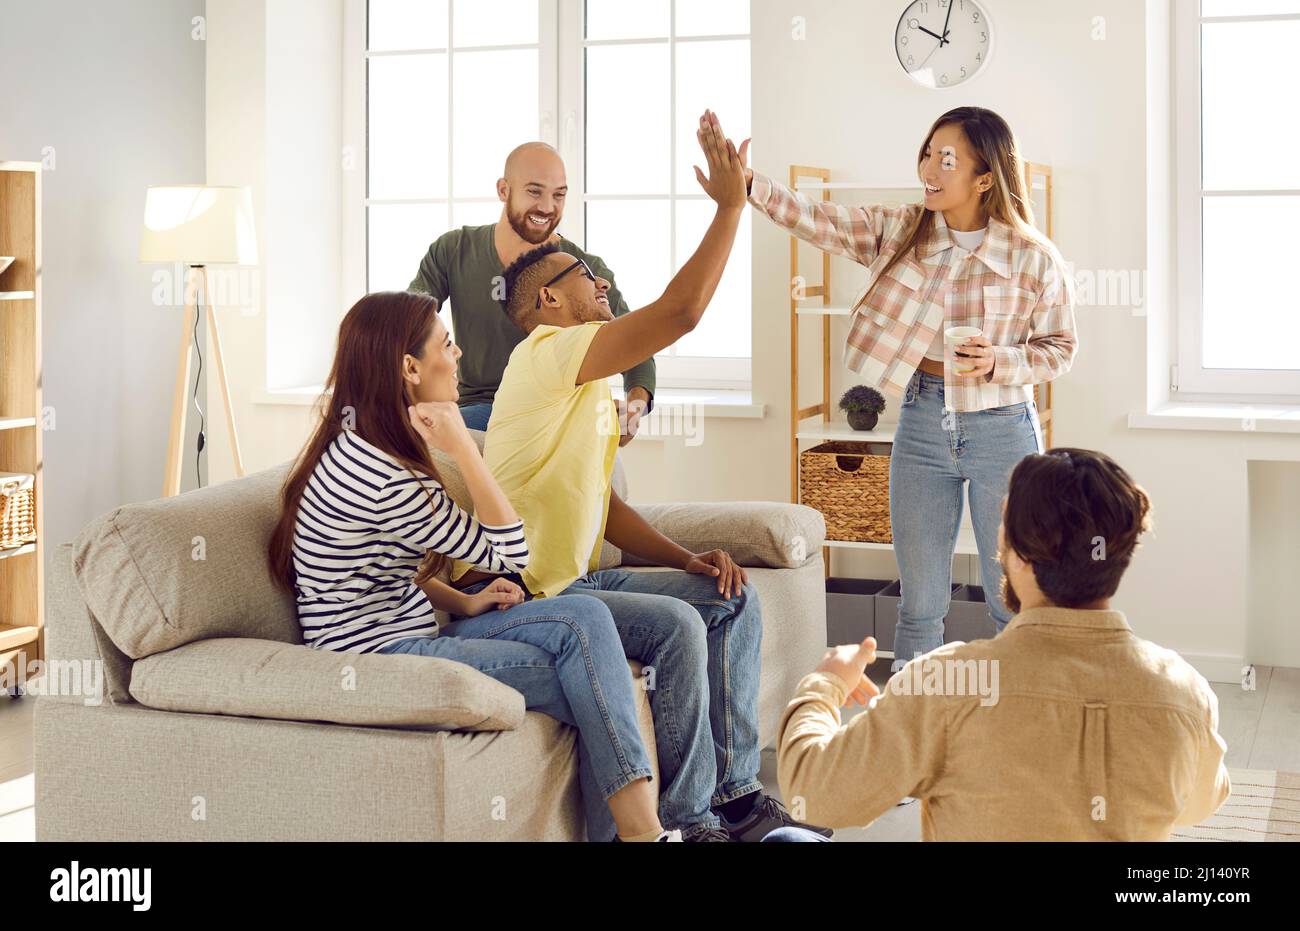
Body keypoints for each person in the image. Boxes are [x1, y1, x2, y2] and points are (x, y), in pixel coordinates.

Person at [447, 111, 831, 843]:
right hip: (532, 595)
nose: (602, 282)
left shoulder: (592, 380)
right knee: (681, 624)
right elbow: (680, 313)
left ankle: (737, 798)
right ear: (551, 302)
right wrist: (729, 206)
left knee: (728, 598)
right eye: (584, 277)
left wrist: (688, 558)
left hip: (583, 580)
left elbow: (605, 508)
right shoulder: (549, 354)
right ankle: (688, 824)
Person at [267, 290, 677, 842]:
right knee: (593, 665)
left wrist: (460, 600)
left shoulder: (359, 446)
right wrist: (463, 446)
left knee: (589, 637)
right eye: (447, 344)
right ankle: (644, 834)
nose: (458, 355)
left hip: (408, 632)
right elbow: (511, 552)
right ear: (410, 368)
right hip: (385, 659)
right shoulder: (384, 478)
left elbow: (373, 566)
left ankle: (638, 833)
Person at [726, 106, 1078, 671]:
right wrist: (748, 184)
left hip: (1004, 429)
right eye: (927, 153)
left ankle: (1019, 731)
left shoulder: (1032, 256)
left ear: (985, 176)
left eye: (946, 158)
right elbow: (821, 220)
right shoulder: (903, 230)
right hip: (922, 420)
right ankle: (913, 739)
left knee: (1012, 602)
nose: (928, 168)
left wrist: (1000, 360)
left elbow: (1060, 347)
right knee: (919, 606)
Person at [777, 448, 1232, 840]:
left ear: (1015, 551)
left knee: (786, 837)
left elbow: (812, 795)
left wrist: (825, 685)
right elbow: (1197, 804)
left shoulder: (946, 683)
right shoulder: (1183, 691)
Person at [408, 141, 655, 442]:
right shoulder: (453, 250)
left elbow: (636, 342)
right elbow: (407, 322)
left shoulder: (586, 270)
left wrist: (634, 407)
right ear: (503, 190)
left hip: (552, 413)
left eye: (559, 195)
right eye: (535, 191)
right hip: (478, 408)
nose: (547, 207)